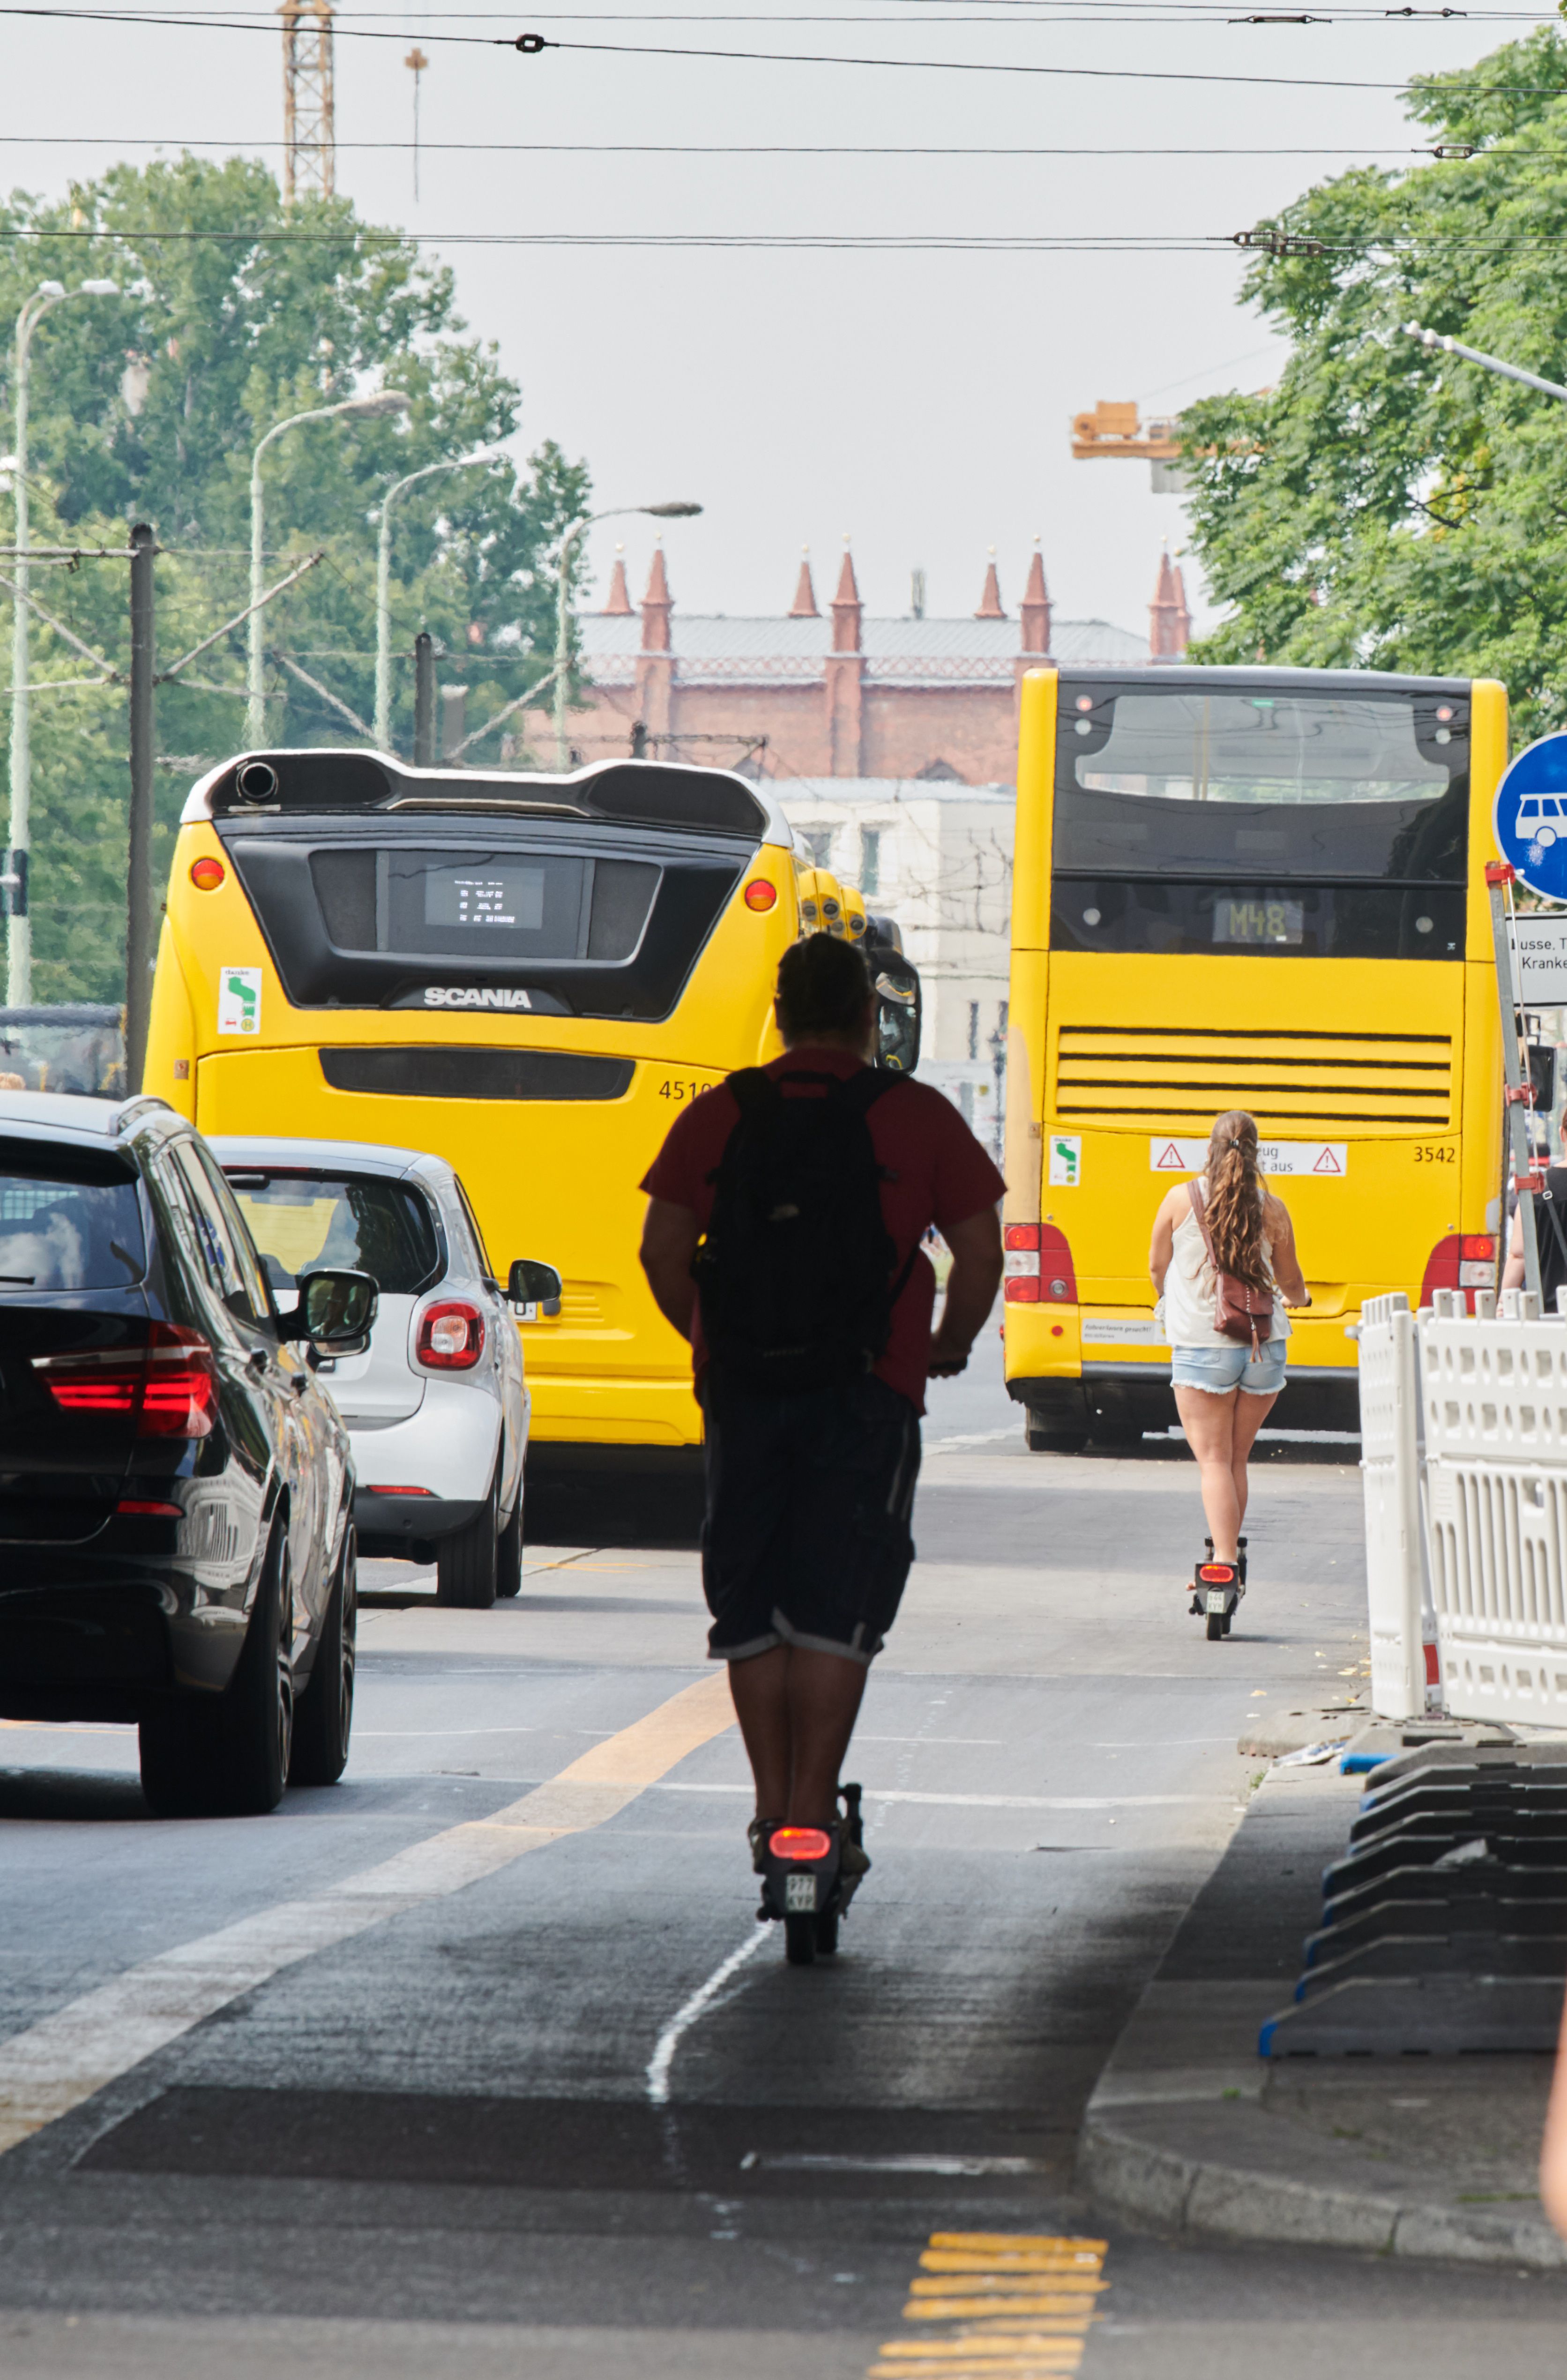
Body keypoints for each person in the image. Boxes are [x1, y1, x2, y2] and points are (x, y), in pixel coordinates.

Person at [639, 931, 1004, 1888]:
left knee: (751, 1600)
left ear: (784, 1011)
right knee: (836, 1600)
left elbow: (661, 1250)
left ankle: (771, 1814)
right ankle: (814, 1815)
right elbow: (980, 1255)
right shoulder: (916, 1114)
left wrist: (714, 1340)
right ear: (866, 1016)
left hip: (746, 1391)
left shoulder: (723, 1112)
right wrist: (944, 1344)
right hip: (866, 1392)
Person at [1149, 1110, 1309, 1574]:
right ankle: (1229, 1549)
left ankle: (1222, 1560)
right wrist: (1300, 1299)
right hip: (1264, 1345)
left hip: (1203, 1345)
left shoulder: (1179, 1199)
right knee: (1236, 1458)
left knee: (1214, 1461)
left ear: (1211, 1149)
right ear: (1255, 1153)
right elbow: (1290, 1280)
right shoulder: (1272, 1208)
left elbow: (1156, 1267)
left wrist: (1168, 1299)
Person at [1501, 1110, 1567, 1309]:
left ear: (1562, 1134)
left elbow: (1518, 1255)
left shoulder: (1537, 1189)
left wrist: (1504, 1304)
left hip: (1550, 1315)